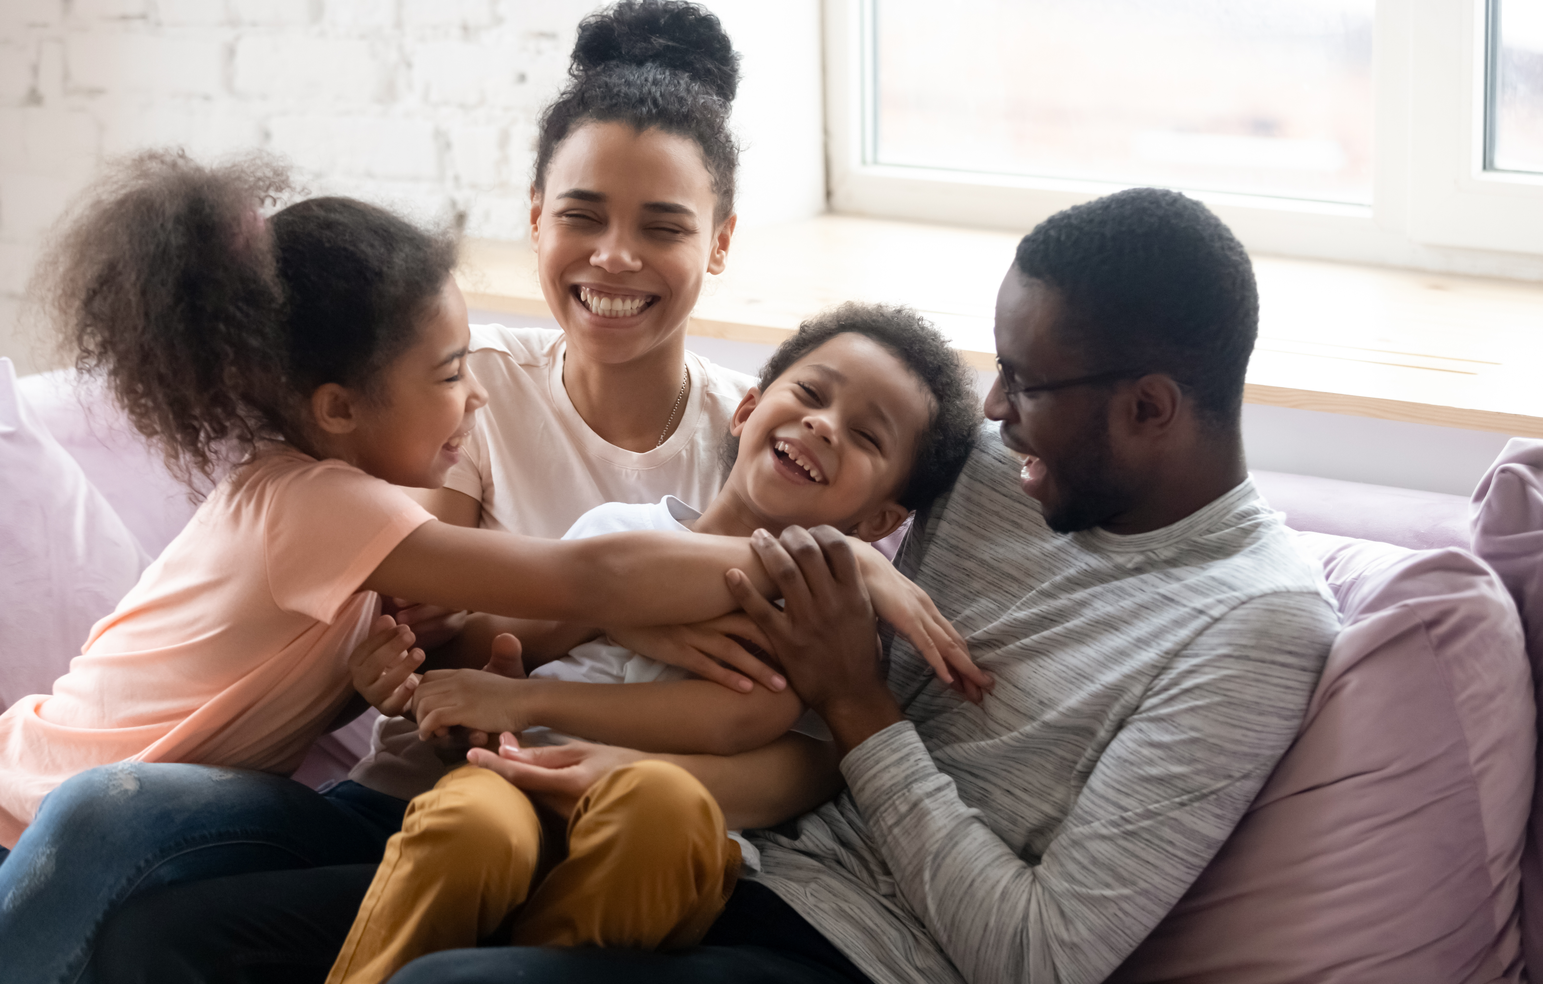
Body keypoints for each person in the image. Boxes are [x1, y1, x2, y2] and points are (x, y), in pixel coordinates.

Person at [0, 150, 961, 984]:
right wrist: (836, 559)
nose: (475, 401)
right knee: (120, 844)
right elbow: (577, 587)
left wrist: (394, 678)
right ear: (338, 407)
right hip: (55, 798)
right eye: (452, 373)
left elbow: (611, 648)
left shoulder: (349, 513)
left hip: (565, 828)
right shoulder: (327, 506)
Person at [354, 187, 1344, 984]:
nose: (994, 411)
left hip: (851, 949)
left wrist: (858, 702)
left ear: (1149, 407)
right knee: (212, 906)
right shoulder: (1008, 462)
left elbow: (1041, 957)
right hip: (713, 858)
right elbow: (751, 507)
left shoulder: (1253, 624)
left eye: (1025, 384)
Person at [324, 303, 982, 984]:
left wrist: (523, 700)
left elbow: (746, 716)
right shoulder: (622, 531)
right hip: (517, 782)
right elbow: (501, 644)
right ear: (746, 408)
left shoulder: (830, 632)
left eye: (866, 436)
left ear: (879, 520)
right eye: (810, 395)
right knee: (470, 821)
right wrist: (449, 686)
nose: (822, 424)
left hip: (658, 833)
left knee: (659, 807)